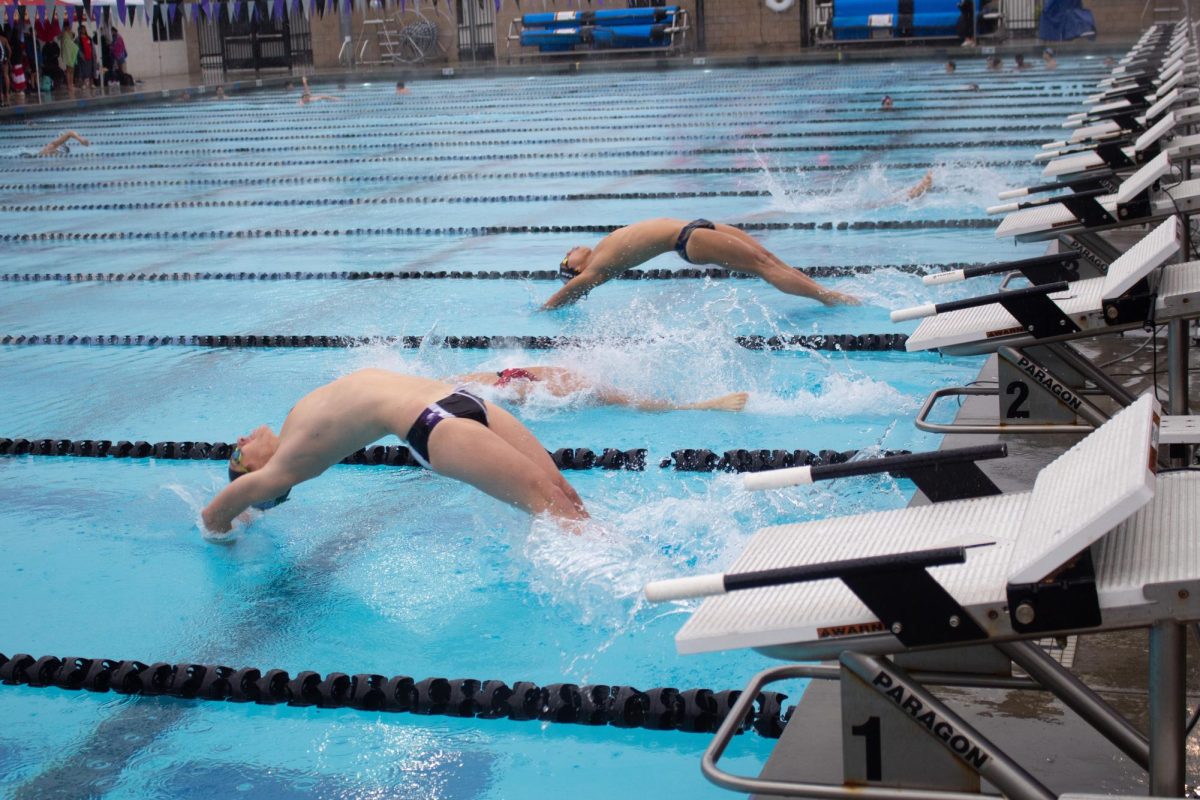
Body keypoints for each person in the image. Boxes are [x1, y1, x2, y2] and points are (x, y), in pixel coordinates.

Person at [200, 369, 588, 538]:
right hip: (434, 426)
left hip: (459, 401)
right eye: (237, 456)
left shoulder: (293, 431)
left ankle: (613, 548)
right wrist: (229, 529)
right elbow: (213, 514)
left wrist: (250, 515)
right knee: (551, 506)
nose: (239, 441)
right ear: (256, 475)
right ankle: (625, 575)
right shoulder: (283, 467)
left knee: (566, 496)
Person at [544, 218, 860, 309]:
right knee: (764, 265)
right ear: (574, 270)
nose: (570, 248)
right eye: (566, 257)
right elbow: (565, 295)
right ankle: (828, 298)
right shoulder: (597, 269)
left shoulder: (599, 251)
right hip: (688, 240)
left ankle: (824, 291)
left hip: (696, 227)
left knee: (769, 259)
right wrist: (541, 312)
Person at [451, 366, 750, 412]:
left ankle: (696, 406)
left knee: (614, 396)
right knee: (614, 396)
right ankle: (698, 406)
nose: (573, 250)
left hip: (516, 381)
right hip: (518, 381)